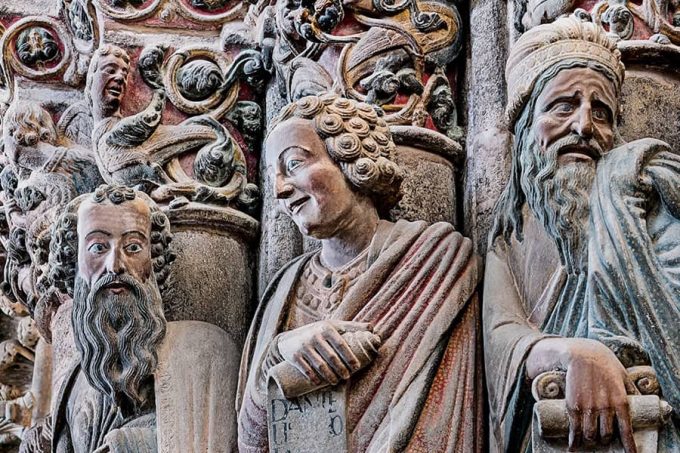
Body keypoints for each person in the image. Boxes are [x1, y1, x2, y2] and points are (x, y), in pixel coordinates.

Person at [238, 93, 483, 452]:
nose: (279, 189)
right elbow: (250, 439)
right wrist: (282, 350)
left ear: (352, 159)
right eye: (272, 176)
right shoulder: (283, 289)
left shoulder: (437, 259)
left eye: (293, 165)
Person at [484, 15, 680, 452]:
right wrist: (573, 353)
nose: (584, 126)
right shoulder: (510, 243)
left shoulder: (643, 198)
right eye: (563, 106)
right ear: (524, 129)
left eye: (602, 112)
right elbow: (502, 342)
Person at [44, 185, 238, 452]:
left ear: (153, 261)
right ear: (74, 263)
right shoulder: (72, 383)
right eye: (98, 247)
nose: (115, 265)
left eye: (133, 247)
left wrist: (128, 443)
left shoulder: (203, 350)